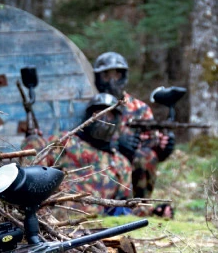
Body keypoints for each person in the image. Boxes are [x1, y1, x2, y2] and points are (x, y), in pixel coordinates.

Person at [22, 93, 133, 217]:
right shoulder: (67, 141)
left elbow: (124, 205)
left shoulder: (121, 162)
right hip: (55, 215)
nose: (104, 119)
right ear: (89, 116)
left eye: (109, 115)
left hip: (95, 222)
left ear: (116, 121)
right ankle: (28, 208)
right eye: (99, 113)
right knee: (33, 140)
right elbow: (39, 161)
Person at [93, 52, 175, 215]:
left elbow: (152, 146)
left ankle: (141, 207)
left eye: (116, 74)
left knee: (146, 156)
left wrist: (164, 148)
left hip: (129, 169)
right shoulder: (92, 104)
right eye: (106, 75)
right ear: (98, 77)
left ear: (123, 76)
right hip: (99, 164)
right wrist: (116, 143)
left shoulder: (139, 108)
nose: (111, 81)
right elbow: (81, 142)